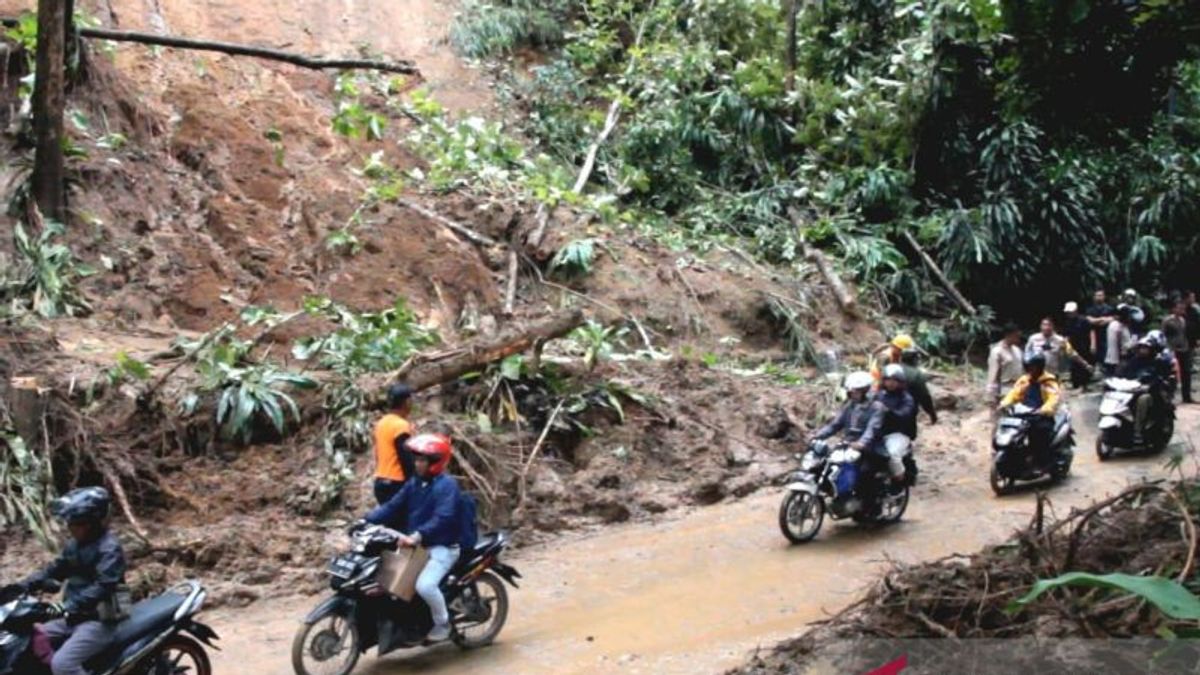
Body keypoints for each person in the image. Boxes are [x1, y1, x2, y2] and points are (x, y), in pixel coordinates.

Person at [9, 487, 127, 675]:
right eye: (70, 523)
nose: (70, 527)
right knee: (27, 640)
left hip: (100, 622)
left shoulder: (109, 550)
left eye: (76, 523)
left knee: (62, 664)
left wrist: (68, 605)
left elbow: (103, 586)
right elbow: (55, 569)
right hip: (73, 617)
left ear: (92, 523)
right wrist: (21, 586)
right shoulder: (76, 545)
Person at [364, 433, 462, 642]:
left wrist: (418, 535)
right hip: (417, 546)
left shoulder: (447, 486)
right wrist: (366, 520)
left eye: (422, 460)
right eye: (416, 459)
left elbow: (443, 518)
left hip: (441, 547)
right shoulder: (415, 483)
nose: (417, 464)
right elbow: (392, 506)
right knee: (387, 580)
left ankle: (443, 623)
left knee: (424, 586)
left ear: (435, 462)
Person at [999, 353, 1061, 465]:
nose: (1029, 370)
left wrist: (1045, 409)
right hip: (1024, 414)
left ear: (1039, 367)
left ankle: (1043, 462)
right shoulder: (1024, 380)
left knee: (1039, 433)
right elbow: (1014, 393)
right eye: (1028, 367)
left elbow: (1053, 398)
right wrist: (1004, 403)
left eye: (1032, 367)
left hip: (1041, 416)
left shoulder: (1048, 381)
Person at [1119, 334, 1176, 444]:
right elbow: (1124, 374)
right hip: (1132, 390)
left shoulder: (1158, 362)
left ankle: (1138, 431)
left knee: (1143, 399)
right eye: (1141, 348)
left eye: (1145, 348)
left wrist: (1151, 385)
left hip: (1152, 393)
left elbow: (1163, 377)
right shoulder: (1134, 361)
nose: (1142, 350)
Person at [811, 371, 883, 449]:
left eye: (857, 391)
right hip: (849, 444)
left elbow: (872, 429)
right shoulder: (849, 406)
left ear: (866, 390)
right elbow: (835, 425)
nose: (853, 394)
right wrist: (818, 435)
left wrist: (862, 443)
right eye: (852, 392)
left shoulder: (877, 407)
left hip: (869, 447)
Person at [874, 364, 918, 483]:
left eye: (894, 380)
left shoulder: (906, 398)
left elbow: (905, 414)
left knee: (893, 456)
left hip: (898, 433)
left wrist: (888, 411)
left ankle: (899, 481)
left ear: (901, 382)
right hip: (877, 432)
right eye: (888, 380)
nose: (891, 383)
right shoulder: (878, 395)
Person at [373, 383, 416, 505]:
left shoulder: (381, 423)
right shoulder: (401, 426)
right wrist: (413, 484)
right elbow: (405, 457)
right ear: (406, 402)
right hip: (397, 483)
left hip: (381, 481)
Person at [1026, 317, 1091, 383]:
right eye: (1044, 325)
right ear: (1040, 326)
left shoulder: (1060, 340)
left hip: (1052, 374)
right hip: (1036, 375)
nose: (1046, 327)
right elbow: (1026, 353)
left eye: (1049, 325)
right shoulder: (1033, 338)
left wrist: (1085, 364)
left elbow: (1072, 353)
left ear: (1053, 326)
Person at [1164, 297, 1194, 404]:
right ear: (1174, 309)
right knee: (1172, 373)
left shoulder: (1183, 320)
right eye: (1179, 308)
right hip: (1172, 348)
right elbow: (1164, 335)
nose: (1181, 310)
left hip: (1184, 347)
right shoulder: (1168, 321)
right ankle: (1169, 396)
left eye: (1182, 308)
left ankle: (1187, 396)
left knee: (1187, 372)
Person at [986, 323, 1024, 407]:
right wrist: (991, 395)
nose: (1018, 338)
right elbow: (993, 374)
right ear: (1008, 335)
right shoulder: (997, 351)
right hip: (1004, 389)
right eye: (1016, 336)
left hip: (1018, 388)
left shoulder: (1017, 350)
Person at [1062, 302, 1096, 390]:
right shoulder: (1067, 322)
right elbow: (1066, 335)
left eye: (1070, 312)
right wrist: (1066, 343)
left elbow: (1091, 331)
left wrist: (1093, 344)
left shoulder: (1084, 320)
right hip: (1074, 347)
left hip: (1085, 345)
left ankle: (1085, 385)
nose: (1068, 314)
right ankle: (1076, 385)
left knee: (1086, 365)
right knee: (1075, 367)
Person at [899, 349, 937, 426]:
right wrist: (932, 415)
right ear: (915, 360)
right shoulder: (917, 375)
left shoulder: (891, 369)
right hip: (907, 412)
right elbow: (924, 397)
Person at [1104, 305, 1134, 376]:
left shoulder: (1113, 324)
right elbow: (1121, 345)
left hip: (1110, 358)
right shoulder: (1119, 327)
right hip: (1119, 360)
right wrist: (1133, 344)